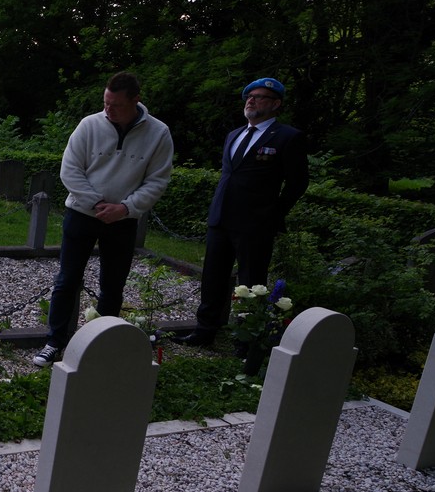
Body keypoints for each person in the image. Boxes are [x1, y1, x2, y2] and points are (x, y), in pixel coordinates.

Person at [33, 71, 174, 367]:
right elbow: (70, 169)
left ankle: (102, 344)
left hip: (123, 219)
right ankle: (54, 341)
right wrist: (97, 203)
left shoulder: (158, 133)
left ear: (135, 100)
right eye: (106, 103)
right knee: (67, 279)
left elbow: (157, 180)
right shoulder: (89, 125)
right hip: (82, 214)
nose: (108, 111)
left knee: (113, 284)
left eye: (116, 105)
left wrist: (125, 208)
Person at [177, 78, 310, 347]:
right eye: (249, 96)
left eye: (259, 97)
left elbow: (298, 183)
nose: (251, 100)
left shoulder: (287, 137)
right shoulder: (235, 134)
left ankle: (246, 340)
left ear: (275, 104)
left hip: (255, 223)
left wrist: (274, 213)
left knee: (251, 283)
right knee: (213, 278)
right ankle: (205, 331)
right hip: (221, 218)